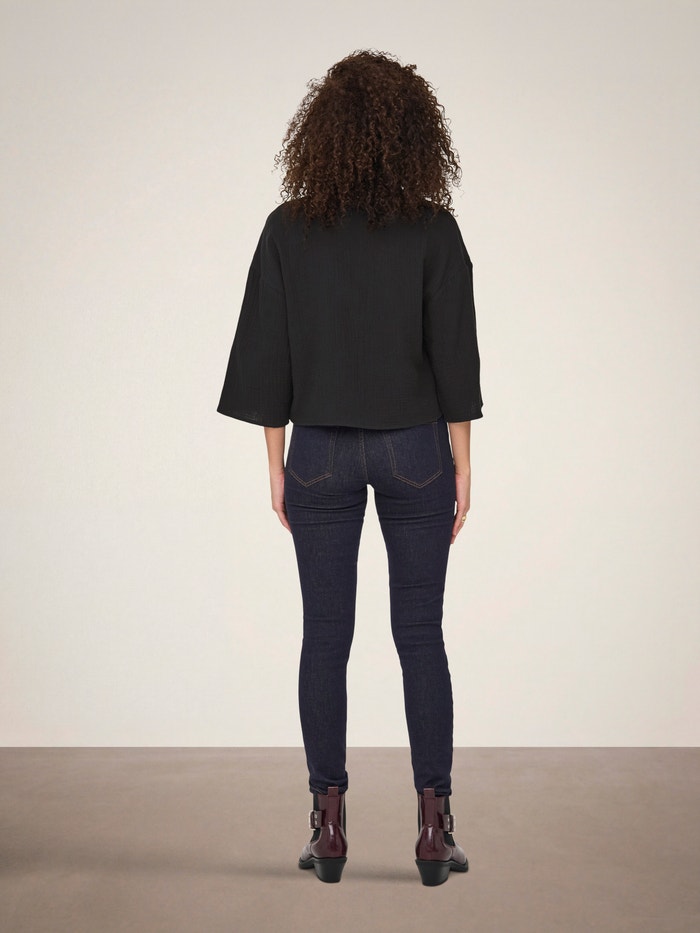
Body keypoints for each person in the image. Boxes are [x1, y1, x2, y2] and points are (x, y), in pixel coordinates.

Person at [216, 49, 483, 886]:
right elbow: (455, 359)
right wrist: (462, 465)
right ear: (414, 134)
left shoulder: (287, 228)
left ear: (321, 133)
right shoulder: (434, 229)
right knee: (421, 634)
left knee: (324, 636)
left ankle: (327, 828)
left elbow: (266, 356)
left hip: (320, 452)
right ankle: (433, 829)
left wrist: (276, 464)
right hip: (415, 450)